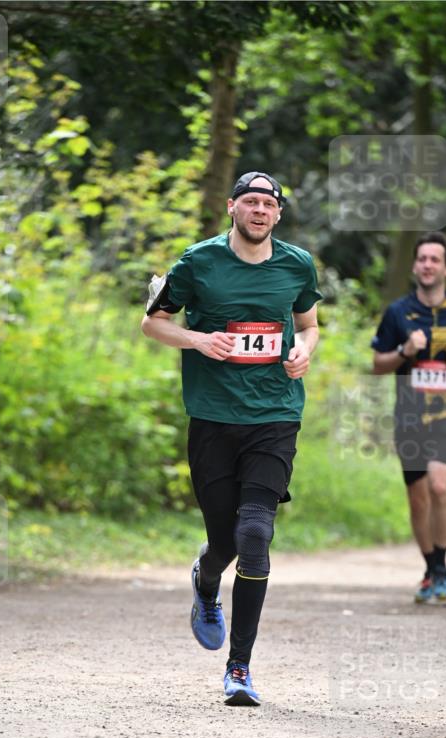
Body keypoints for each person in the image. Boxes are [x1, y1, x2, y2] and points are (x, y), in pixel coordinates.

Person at [142, 171, 321, 706]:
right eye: (251, 202)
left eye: (268, 203)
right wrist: (197, 339)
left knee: (256, 533)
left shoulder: (297, 264)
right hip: (213, 418)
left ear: (278, 214)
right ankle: (206, 579)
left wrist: (304, 350)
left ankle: (239, 668)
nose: (259, 210)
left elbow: (309, 324)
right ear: (232, 208)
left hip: (275, 415)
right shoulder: (198, 262)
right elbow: (153, 323)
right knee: (225, 541)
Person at [371, 232, 446, 603]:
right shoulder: (398, 312)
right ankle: (432, 569)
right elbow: (378, 365)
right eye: (422, 259)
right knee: (418, 498)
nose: (427, 265)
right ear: (414, 266)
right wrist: (403, 351)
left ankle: (439, 568)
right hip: (410, 411)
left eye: (435, 259)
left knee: (439, 485)